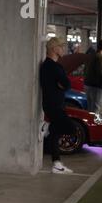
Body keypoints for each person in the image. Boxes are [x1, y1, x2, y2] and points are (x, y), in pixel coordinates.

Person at [40, 37, 75, 174]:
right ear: (54, 49)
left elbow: (63, 84)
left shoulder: (48, 66)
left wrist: (60, 85)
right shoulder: (53, 67)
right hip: (54, 105)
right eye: (61, 46)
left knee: (55, 134)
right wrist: (61, 85)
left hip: (53, 104)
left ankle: (56, 164)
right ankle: (46, 126)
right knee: (70, 128)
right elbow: (67, 84)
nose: (63, 49)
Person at [84, 39, 102, 117]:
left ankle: (90, 124)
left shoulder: (93, 55)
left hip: (88, 84)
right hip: (96, 86)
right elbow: (100, 72)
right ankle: (93, 126)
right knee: (96, 108)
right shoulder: (100, 57)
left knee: (91, 108)